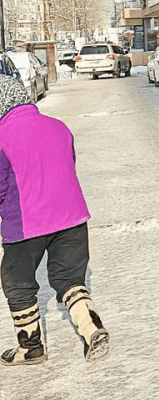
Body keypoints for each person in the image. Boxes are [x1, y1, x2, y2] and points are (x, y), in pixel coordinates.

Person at [0, 75, 110, 365]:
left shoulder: (2, 136)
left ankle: (31, 347)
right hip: (72, 217)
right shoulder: (58, 126)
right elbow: (68, 163)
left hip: (27, 222)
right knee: (70, 280)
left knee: (18, 282)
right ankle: (92, 329)